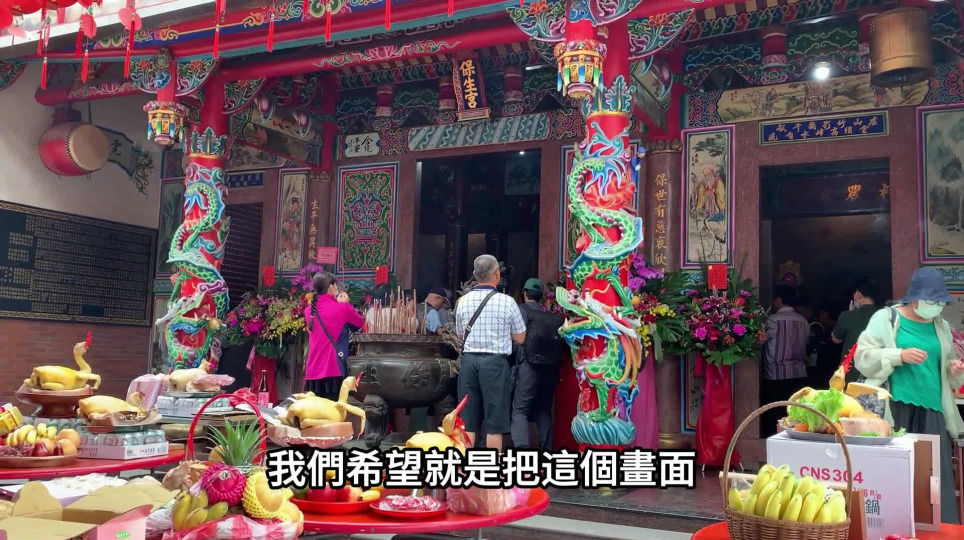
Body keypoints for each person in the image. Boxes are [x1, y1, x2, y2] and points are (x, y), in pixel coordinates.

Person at [855, 267, 964, 524]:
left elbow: (947, 363)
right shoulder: (887, 318)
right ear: (914, 298)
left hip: (933, 409)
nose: (936, 306)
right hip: (895, 408)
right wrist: (899, 355)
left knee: (933, 477)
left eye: (939, 301)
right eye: (930, 300)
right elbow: (863, 356)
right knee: (892, 472)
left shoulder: (941, 325)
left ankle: (938, 530)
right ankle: (892, 527)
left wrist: (954, 368)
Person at [455, 254, 527, 451]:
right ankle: (492, 466)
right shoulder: (507, 302)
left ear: (475, 274)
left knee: (468, 421)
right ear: (496, 273)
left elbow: (460, 335)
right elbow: (520, 338)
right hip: (495, 364)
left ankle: (464, 465)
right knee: (494, 424)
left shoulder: (463, 301)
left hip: (469, 362)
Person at [511, 278, 564, 450]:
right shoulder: (551, 316)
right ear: (541, 296)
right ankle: (547, 450)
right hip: (550, 368)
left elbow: (516, 339)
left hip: (528, 367)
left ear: (524, 293)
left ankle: (522, 450)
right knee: (544, 409)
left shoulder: (521, 311)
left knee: (520, 410)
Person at [304, 272, 365, 400]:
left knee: (315, 410)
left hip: (313, 370)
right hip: (334, 369)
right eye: (336, 285)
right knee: (334, 410)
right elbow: (360, 324)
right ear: (331, 287)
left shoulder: (308, 311)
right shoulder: (342, 308)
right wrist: (346, 305)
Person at [760, 285, 810, 437]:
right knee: (793, 414)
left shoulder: (772, 321)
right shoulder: (803, 321)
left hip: (775, 375)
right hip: (798, 374)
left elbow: (759, 342)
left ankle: (774, 439)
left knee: (774, 414)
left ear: (779, 299)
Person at [833, 279, 881, 383]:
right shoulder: (885, 315)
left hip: (852, 376)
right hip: (878, 375)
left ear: (858, 294)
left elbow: (836, 339)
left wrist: (850, 313)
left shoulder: (847, 316)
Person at [335, 283, 361, 377]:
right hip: (337, 360)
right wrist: (345, 306)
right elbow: (358, 324)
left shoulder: (311, 310)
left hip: (318, 365)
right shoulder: (342, 309)